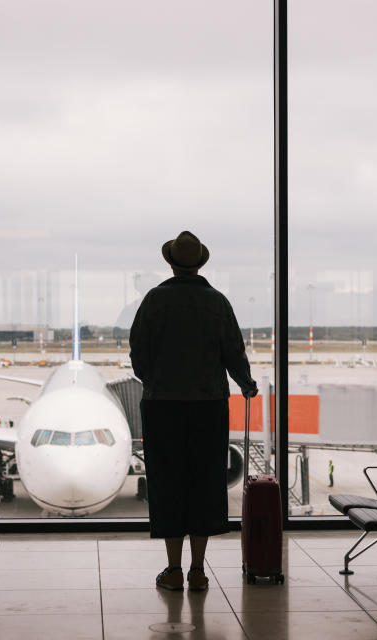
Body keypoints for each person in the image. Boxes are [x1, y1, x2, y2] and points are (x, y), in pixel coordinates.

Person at [130, 230, 258, 592]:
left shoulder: (154, 301)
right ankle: (198, 571)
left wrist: (154, 379)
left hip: (163, 406)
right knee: (205, 483)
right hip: (208, 406)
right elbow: (234, 351)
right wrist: (245, 382)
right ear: (200, 263)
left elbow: (138, 352)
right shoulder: (217, 302)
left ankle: (172, 570)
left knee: (168, 483)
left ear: (170, 263)